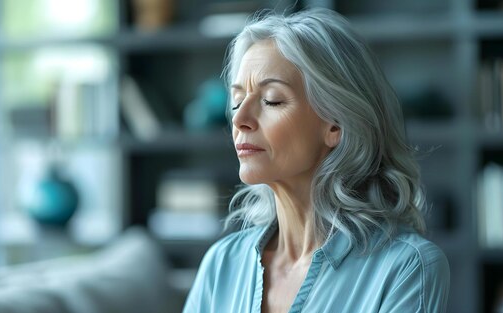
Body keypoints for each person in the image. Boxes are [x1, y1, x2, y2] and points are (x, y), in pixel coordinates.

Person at [183, 8, 450, 313]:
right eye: (237, 100)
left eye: (272, 100)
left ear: (335, 122)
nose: (240, 118)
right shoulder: (221, 265)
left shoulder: (407, 268)